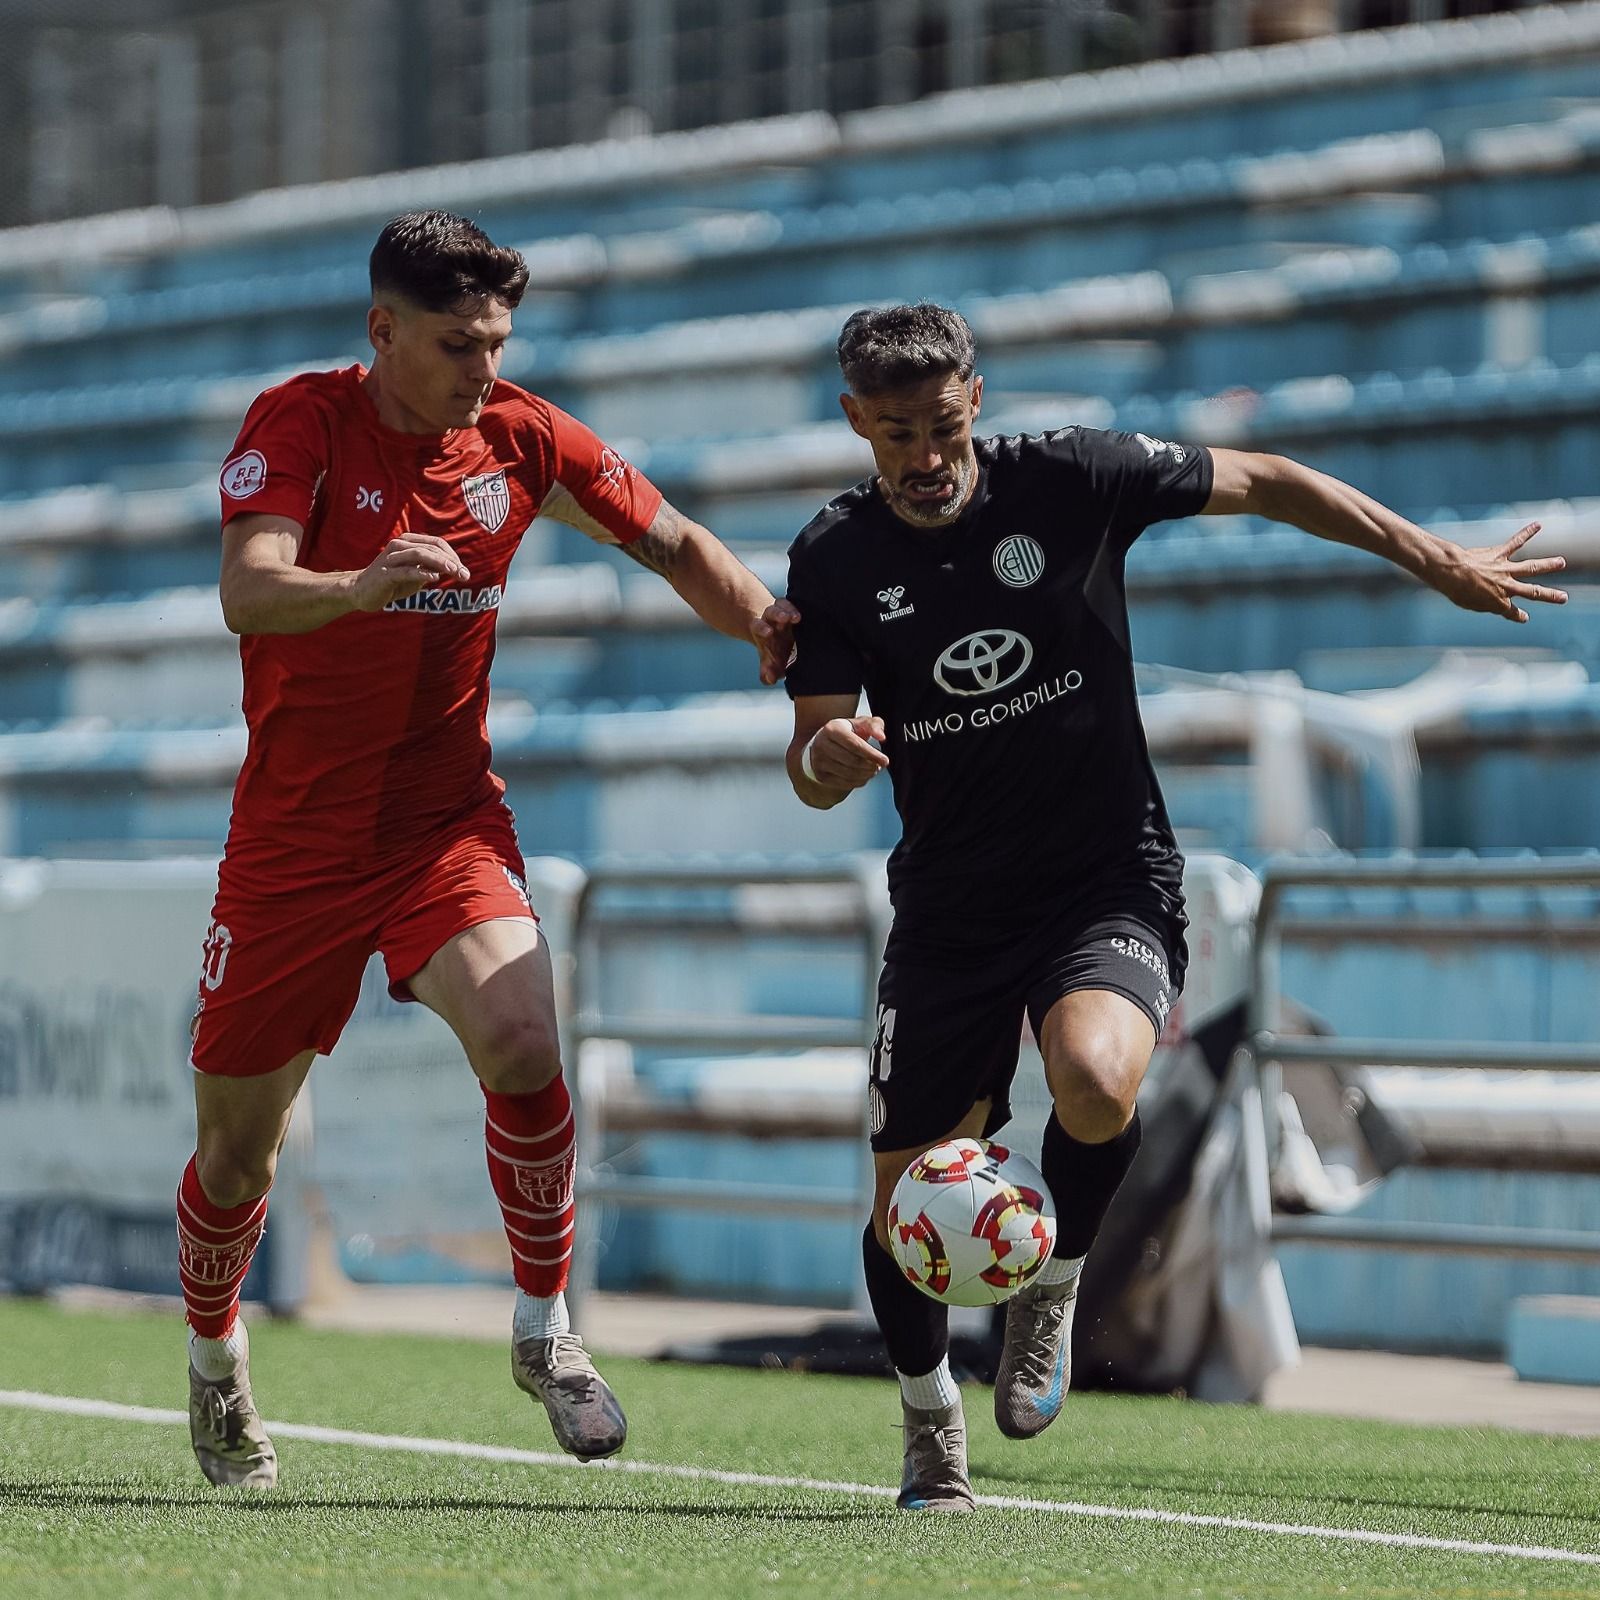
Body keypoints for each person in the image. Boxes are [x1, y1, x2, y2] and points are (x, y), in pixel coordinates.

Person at [781, 302, 1567, 1510]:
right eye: (895, 436)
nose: (925, 458)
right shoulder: (832, 558)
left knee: (1096, 1081)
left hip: (1110, 878)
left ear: (975, 401)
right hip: (949, 911)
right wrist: (831, 757)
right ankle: (929, 1415)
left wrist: (1434, 560)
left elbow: (1263, 477)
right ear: (855, 424)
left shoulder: (1073, 477)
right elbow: (812, 752)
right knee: (906, 1206)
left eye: (941, 426)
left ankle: (1055, 1285)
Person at [179, 210, 797, 1488]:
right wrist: (353, 588)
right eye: (459, 344)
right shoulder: (297, 423)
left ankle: (544, 1331)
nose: (482, 367)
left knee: (523, 1035)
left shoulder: (520, 434)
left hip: (441, 823)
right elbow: (248, 587)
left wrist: (776, 639)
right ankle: (214, 1354)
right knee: (239, 1154)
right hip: (292, 844)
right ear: (383, 330)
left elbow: (668, 538)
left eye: (498, 341)